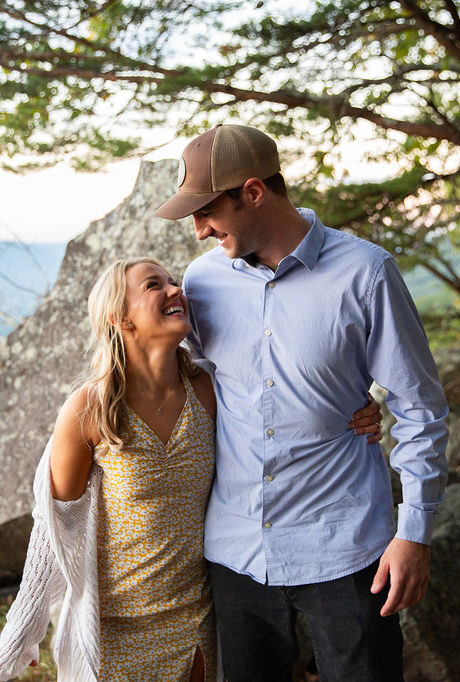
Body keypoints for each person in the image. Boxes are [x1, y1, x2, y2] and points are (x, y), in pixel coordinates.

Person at [153, 123, 449, 682]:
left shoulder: (366, 273)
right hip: (235, 551)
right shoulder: (202, 281)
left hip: (345, 544)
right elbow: (185, 382)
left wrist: (414, 531)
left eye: (206, 211)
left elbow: (420, 408)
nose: (196, 231)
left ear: (254, 192)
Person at [0, 255, 382, 682]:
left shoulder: (207, 389)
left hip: (195, 619)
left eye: (173, 281)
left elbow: (282, 413)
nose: (174, 290)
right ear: (120, 317)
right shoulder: (91, 409)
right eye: (152, 286)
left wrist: (357, 409)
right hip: (115, 629)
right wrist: (21, 632)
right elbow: (54, 530)